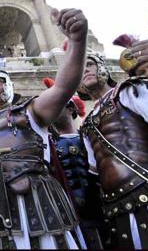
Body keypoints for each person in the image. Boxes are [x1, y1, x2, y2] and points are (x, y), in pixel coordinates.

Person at [0, 8, 89, 249]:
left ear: (9, 85)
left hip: (36, 198)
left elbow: (64, 87)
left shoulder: (31, 111)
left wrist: (77, 40)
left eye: (0, 81)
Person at [78, 53, 148, 249]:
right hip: (118, 209)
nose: (85, 70)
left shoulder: (128, 91)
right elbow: (95, 169)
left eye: (89, 64)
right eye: (79, 69)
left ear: (103, 67)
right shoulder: (87, 125)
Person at [43, 77, 106, 249]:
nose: (52, 111)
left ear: (71, 108)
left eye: (58, 105)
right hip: (69, 217)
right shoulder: (48, 147)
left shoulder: (92, 136)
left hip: (101, 210)